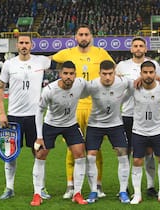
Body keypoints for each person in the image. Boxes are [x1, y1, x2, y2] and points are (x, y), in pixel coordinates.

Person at [50, 24, 114, 199]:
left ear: (91, 36)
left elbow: (114, 70)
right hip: (73, 108)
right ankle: (70, 185)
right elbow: (48, 60)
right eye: (80, 34)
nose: (84, 37)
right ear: (75, 37)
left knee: (96, 148)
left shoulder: (100, 53)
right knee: (72, 148)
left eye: (86, 34)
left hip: (95, 108)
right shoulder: (67, 53)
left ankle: (97, 185)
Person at [0, 35, 51, 200]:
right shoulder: (9, 64)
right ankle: (9, 188)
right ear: (17, 45)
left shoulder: (41, 61)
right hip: (14, 116)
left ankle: (40, 189)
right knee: (10, 154)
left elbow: (61, 57)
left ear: (32, 45)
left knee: (38, 153)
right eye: (21, 43)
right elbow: (0, 89)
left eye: (27, 43)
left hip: (35, 117)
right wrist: (1, 113)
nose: (24, 45)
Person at [30, 61, 88, 206]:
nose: (68, 77)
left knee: (80, 154)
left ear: (75, 74)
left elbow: (95, 87)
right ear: (60, 74)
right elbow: (39, 111)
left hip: (71, 125)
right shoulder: (50, 90)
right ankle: (37, 194)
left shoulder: (80, 84)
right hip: (51, 125)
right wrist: (39, 137)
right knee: (41, 155)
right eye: (65, 73)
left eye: (71, 74)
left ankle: (77, 193)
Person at [115, 36, 160, 197]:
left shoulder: (155, 65)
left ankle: (150, 186)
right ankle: (125, 186)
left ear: (145, 49)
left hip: (148, 116)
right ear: (131, 49)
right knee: (125, 151)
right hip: (127, 114)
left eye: (141, 45)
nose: (138, 48)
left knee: (149, 151)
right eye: (135, 46)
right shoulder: (122, 66)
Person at [130, 61, 160, 205]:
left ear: (155, 73)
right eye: (145, 72)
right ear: (141, 73)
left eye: (151, 72)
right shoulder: (133, 87)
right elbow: (117, 80)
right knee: (137, 161)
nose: (148, 75)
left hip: (158, 131)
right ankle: (137, 194)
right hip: (139, 131)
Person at [84, 60, 131, 204]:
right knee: (91, 156)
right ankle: (93, 191)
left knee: (123, 154)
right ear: (99, 74)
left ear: (114, 73)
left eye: (110, 74)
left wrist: (122, 100)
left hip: (115, 124)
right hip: (95, 124)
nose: (107, 77)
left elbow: (136, 85)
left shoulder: (122, 82)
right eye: (104, 74)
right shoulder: (92, 85)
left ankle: (123, 191)